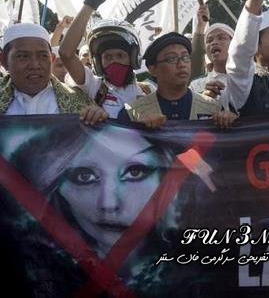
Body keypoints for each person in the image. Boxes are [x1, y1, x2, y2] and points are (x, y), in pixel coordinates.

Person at [9, 121, 180, 296]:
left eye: (135, 172)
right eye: (84, 176)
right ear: (57, 188)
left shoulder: (190, 272)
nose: (108, 204)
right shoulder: (37, 272)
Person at [60, 0, 149, 119]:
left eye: (120, 55)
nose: (114, 61)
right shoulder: (94, 86)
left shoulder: (147, 94)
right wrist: (90, 4)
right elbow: (66, 53)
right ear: (98, 62)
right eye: (108, 57)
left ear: (133, 58)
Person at [123, 32, 237, 129]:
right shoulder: (133, 113)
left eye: (185, 57)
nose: (181, 64)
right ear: (152, 69)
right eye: (171, 59)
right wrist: (138, 130)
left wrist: (232, 122)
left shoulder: (213, 108)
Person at [0, 23, 107, 124]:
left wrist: (97, 118)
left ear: (52, 59)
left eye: (43, 56)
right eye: (23, 56)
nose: (35, 65)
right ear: (4, 61)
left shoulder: (80, 103)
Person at [190, 19, 234, 99]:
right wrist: (203, 101)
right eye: (209, 40)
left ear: (234, 44)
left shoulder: (251, 79)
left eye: (221, 38)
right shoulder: (195, 86)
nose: (214, 43)